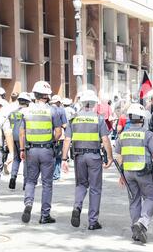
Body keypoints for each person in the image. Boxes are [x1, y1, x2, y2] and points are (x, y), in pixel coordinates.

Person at [115, 103, 153, 243]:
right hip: (143, 173)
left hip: (128, 173)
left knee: (134, 201)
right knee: (151, 197)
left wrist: (121, 175)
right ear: (142, 119)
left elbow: (119, 156)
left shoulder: (123, 135)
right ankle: (143, 223)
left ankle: (136, 231)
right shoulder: (147, 134)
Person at [61, 90, 113, 230]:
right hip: (94, 157)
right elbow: (105, 139)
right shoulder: (99, 118)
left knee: (81, 185)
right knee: (95, 189)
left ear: (82, 103)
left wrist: (64, 159)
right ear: (95, 104)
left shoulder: (74, 118)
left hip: (79, 157)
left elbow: (67, 140)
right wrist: (110, 157)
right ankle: (92, 221)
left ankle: (77, 207)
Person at [19, 82, 63, 224]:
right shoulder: (53, 111)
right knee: (47, 183)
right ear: (47, 96)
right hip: (46, 150)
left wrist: (21, 149)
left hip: (31, 150)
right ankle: (45, 215)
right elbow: (58, 131)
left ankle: (28, 204)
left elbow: (21, 133)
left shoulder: (26, 111)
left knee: (31, 180)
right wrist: (51, 141)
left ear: (35, 95)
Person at [8, 93, 31, 190]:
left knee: (16, 159)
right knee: (26, 160)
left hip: (14, 137)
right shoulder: (28, 112)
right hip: (24, 138)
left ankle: (13, 178)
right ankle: (25, 183)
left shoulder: (12, 113)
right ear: (27, 102)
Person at [50, 95, 68, 182]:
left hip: (48, 136)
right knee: (58, 156)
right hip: (59, 136)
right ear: (58, 102)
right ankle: (56, 174)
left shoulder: (48, 109)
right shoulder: (61, 110)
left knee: (51, 155)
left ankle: (49, 174)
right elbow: (64, 124)